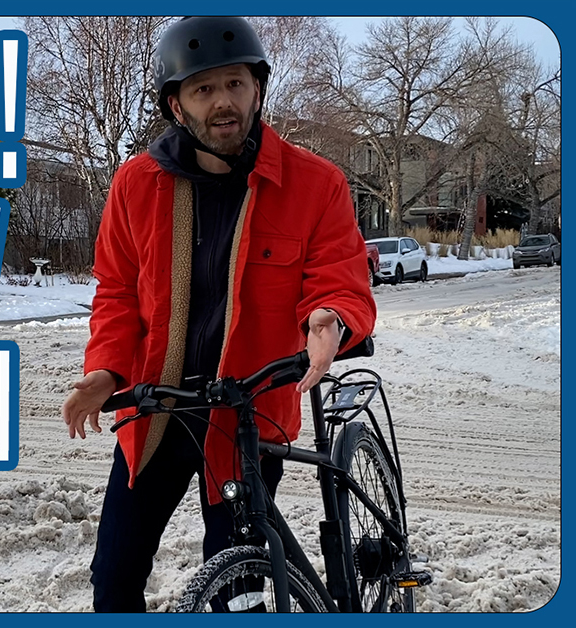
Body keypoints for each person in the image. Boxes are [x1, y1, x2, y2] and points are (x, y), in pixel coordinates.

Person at [59, 16, 377, 612]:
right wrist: (105, 371)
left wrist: (328, 317)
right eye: (203, 89)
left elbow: (339, 273)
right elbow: (117, 293)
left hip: (249, 414)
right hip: (157, 411)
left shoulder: (316, 184)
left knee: (236, 590)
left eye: (235, 83)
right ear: (176, 105)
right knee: (114, 579)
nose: (223, 102)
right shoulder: (135, 184)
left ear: (257, 89)